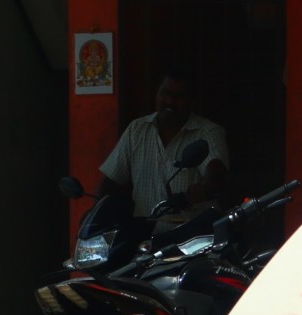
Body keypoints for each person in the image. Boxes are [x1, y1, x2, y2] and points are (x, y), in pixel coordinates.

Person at [97, 66, 229, 218]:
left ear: (191, 100)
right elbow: (112, 180)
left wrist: (204, 189)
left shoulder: (208, 132)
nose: (170, 101)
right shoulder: (137, 129)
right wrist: (95, 210)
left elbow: (216, 171)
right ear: (156, 93)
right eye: (165, 93)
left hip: (191, 236)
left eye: (179, 96)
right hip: (145, 234)